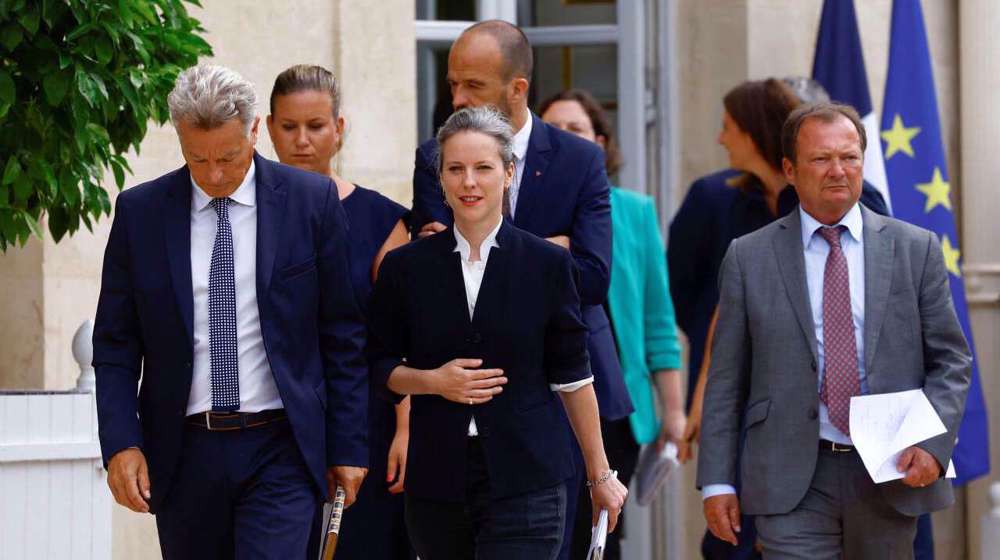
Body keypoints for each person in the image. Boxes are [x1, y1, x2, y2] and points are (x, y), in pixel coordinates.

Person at [92, 64, 369, 559]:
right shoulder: (141, 213)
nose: (215, 175)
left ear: (254, 130)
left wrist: (348, 445)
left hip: (281, 446)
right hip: (183, 452)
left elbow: (341, 333)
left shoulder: (311, 201)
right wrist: (120, 442)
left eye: (229, 156)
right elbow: (115, 344)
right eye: (198, 160)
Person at [697, 102, 971, 559]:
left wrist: (933, 441)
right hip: (791, 477)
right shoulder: (749, 258)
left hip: (888, 469)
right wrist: (718, 481)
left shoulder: (915, 249)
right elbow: (727, 381)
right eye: (821, 159)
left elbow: (951, 360)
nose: (838, 171)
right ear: (790, 169)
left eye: (849, 157)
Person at [409, 20, 631, 559]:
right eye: (453, 84)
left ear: (517, 89)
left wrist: (504, 247)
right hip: (464, 402)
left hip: (568, 388)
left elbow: (596, 275)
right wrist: (548, 249)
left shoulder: (578, 159)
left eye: (473, 87)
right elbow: (438, 271)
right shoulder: (433, 155)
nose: (457, 99)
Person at [669, 78, 890, 559]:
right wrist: (712, 385)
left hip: (850, 431)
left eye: (728, 126)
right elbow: (693, 296)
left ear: (753, 131)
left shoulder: (859, 201)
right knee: (736, 540)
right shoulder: (714, 198)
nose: (721, 139)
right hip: (750, 399)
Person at [266, 64, 412, 559]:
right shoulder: (246, 214)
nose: (302, 141)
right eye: (289, 127)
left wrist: (407, 429)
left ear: (339, 129)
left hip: (364, 424)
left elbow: (403, 340)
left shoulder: (382, 219)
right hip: (274, 425)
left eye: (316, 126)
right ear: (268, 129)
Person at [540, 88, 686, 560]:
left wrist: (674, 411)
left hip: (612, 399)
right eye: (552, 131)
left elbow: (657, 320)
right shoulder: (522, 203)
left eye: (576, 130)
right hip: (539, 397)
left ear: (599, 143)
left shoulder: (634, 210)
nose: (564, 139)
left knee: (602, 532)